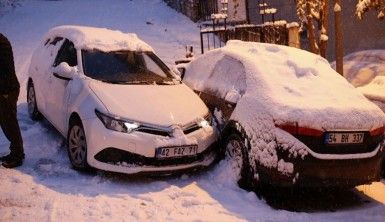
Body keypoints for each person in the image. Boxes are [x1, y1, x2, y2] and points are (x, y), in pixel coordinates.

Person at [0, 33, 24, 168]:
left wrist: (4, 91)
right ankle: (15, 152)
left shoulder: (2, 43)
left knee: (10, 125)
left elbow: (5, 69)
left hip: (7, 90)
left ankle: (17, 156)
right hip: (4, 89)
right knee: (5, 123)